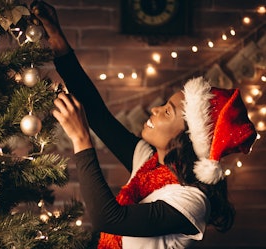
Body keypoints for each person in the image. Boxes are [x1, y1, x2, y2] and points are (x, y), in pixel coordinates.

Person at [31, 1, 258, 248]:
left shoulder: (191, 201)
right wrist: (56, 38)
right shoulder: (147, 162)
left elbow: (107, 218)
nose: (155, 110)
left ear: (187, 138)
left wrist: (81, 139)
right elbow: (97, 114)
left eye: (167, 112)